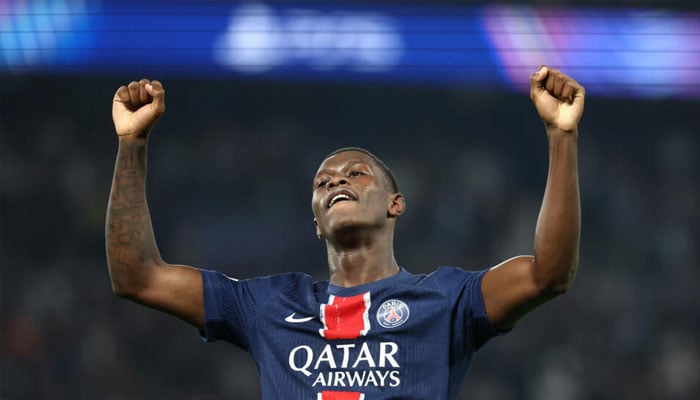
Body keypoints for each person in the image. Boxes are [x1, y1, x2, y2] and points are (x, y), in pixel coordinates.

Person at [106, 65, 584, 399]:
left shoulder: (447, 300)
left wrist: (561, 137)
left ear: (396, 204)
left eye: (356, 174)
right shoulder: (268, 305)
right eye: (322, 182)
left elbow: (549, 275)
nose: (336, 180)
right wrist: (133, 144)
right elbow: (138, 278)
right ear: (317, 222)